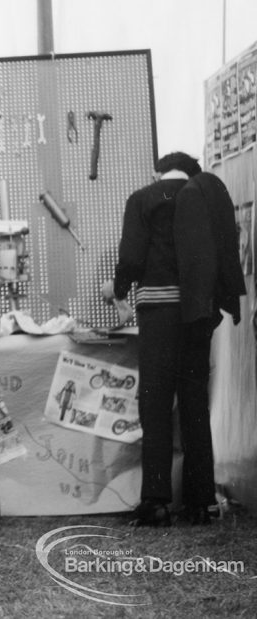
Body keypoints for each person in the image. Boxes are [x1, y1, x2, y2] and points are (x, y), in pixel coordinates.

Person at [102, 151, 245, 526]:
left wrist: (117, 289)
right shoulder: (204, 196)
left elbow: (132, 256)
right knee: (194, 404)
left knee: (156, 405)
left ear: (158, 172)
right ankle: (201, 502)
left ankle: (157, 501)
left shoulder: (143, 199)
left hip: (159, 314)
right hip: (198, 314)